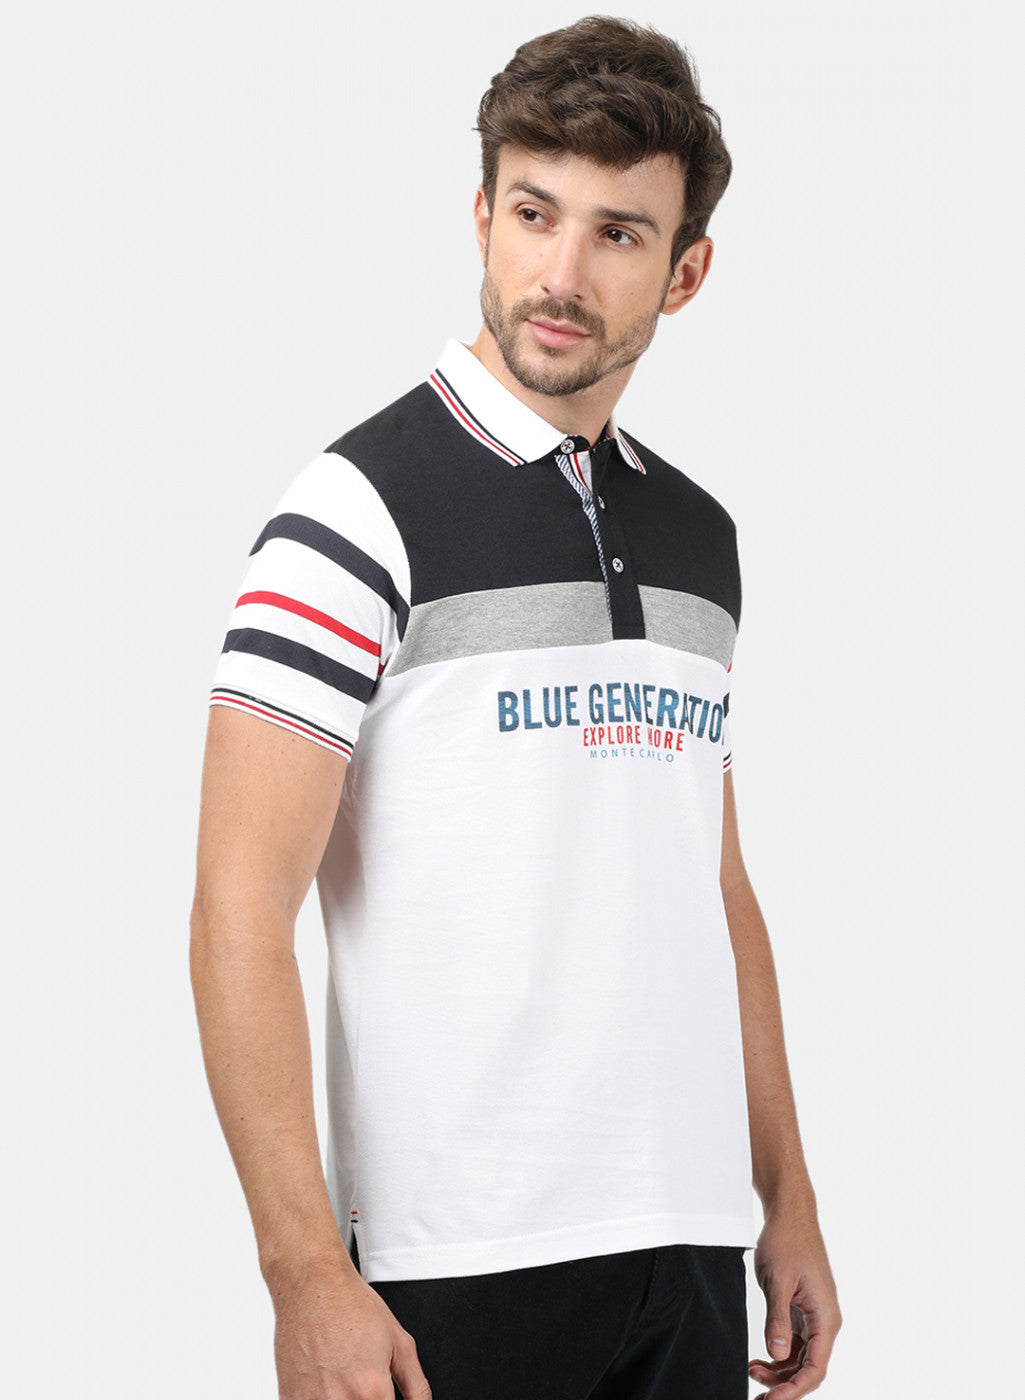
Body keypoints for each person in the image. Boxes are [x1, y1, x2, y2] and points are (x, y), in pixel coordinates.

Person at [190, 16, 841, 1400]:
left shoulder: (701, 541)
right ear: (481, 216)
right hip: (451, 1263)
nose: (560, 274)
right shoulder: (355, 512)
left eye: (618, 234)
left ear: (685, 272)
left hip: (686, 1249)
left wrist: (782, 1196)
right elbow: (239, 908)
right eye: (534, 213)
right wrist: (303, 1271)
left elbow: (715, 889)